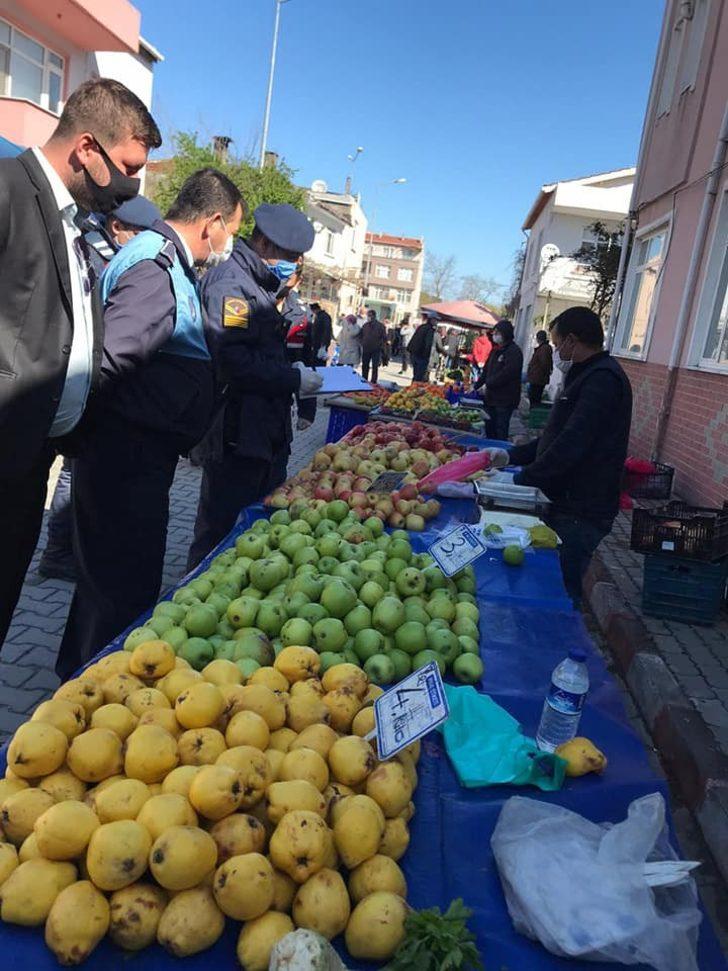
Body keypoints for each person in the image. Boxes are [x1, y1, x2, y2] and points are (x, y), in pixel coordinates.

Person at [57, 169, 243, 678]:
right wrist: (97, 440)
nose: (228, 245)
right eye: (231, 231)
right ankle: (95, 695)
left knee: (103, 584)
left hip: (130, 458)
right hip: (125, 463)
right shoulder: (157, 267)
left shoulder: (162, 261)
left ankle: (75, 676)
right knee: (123, 587)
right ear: (213, 223)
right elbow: (109, 362)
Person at [0, 78, 160, 654]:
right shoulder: (7, 191)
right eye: (127, 165)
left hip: (29, 468)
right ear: (87, 149)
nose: (133, 184)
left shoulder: (76, 226)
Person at [187, 203, 321, 569]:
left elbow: (258, 353)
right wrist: (293, 378)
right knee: (219, 533)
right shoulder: (232, 285)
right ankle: (195, 592)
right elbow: (232, 362)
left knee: (250, 530)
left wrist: (289, 368)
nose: (293, 265)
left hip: (263, 435)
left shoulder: (259, 286)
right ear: (262, 243)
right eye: (288, 255)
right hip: (236, 435)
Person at [37, 195, 162, 583]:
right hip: (79, 378)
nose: (144, 240)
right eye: (138, 233)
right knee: (73, 475)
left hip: (90, 380)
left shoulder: (114, 257)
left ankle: (64, 551)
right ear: (117, 229)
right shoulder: (91, 256)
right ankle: (58, 553)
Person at [508, 307, 632, 607]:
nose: (555, 351)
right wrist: (511, 456)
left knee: (561, 591)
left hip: (582, 508)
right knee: (551, 583)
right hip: (568, 501)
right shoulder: (586, 374)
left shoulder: (602, 380)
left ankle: (561, 646)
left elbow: (573, 443)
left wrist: (526, 477)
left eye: (556, 343)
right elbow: (554, 438)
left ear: (572, 341)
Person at [474, 319, 523, 440]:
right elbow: (486, 371)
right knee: (489, 427)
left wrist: (488, 384)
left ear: (505, 334)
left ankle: (500, 451)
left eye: (498, 333)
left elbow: (508, 373)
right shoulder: (495, 350)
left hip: (505, 399)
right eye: (494, 332)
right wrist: (476, 386)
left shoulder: (514, 351)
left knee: (500, 429)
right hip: (490, 398)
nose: (495, 335)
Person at [408, 313, 444, 382]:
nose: (437, 322)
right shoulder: (430, 330)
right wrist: (427, 356)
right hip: (422, 356)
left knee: (416, 375)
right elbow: (428, 344)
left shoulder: (422, 327)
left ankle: (412, 388)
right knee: (419, 377)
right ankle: (415, 390)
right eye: (436, 320)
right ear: (431, 320)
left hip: (414, 353)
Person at [526, 329, 553, 407]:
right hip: (538, 378)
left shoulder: (544, 349)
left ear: (538, 338)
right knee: (534, 398)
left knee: (534, 399)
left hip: (538, 379)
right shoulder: (544, 348)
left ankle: (533, 414)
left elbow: (544, 363)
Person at [360, 308, 387, 383]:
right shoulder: (365, 325)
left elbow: (384, 338)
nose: (368, 317)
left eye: (369, 315)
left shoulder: (380, 326)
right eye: (368, 315)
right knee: (366, 365)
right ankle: (366, 380)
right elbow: (361, 335)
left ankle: (371, 381)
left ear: (374, 316)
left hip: (375, 349)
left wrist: (383, 348)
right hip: (368, 348)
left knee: (373, 366)